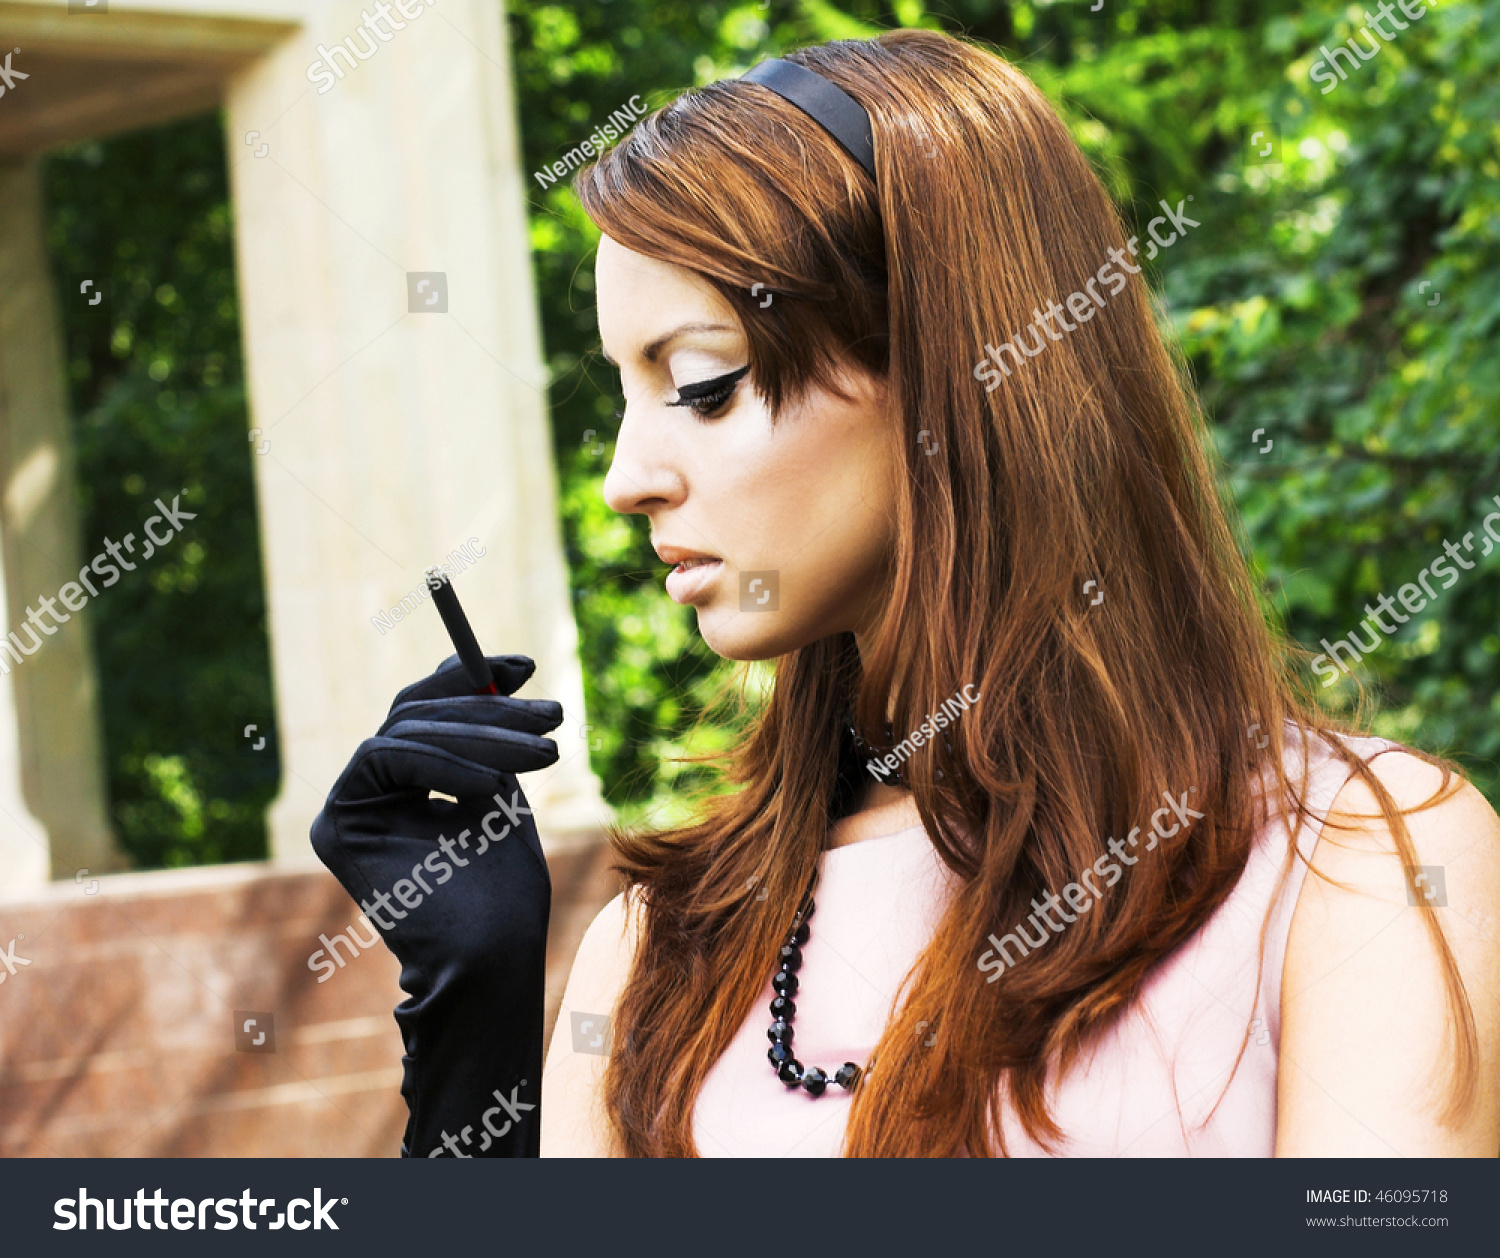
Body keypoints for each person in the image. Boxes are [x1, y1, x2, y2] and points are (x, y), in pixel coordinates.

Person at [316, 29, 1500, 1159]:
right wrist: (472, 1014)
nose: (627, 481)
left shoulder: (1356, 860)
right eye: (624, 391)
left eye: (704, 383)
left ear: (946, 374)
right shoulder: (658, 953)